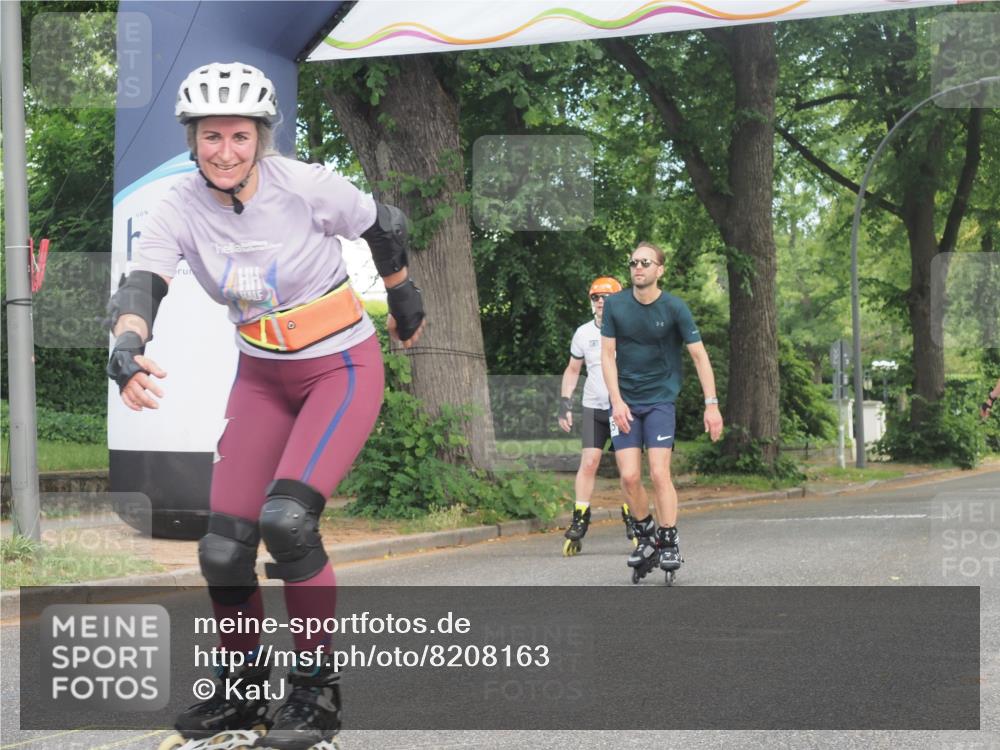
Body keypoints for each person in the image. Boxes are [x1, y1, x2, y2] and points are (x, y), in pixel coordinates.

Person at [106, 62, 425, 750]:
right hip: (261, 377)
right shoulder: (177, 205)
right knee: (223, 549)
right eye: (211, 136)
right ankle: (242, 691)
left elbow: (385, 224)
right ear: (192, 139)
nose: (225, 151)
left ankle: (315, 693)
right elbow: (142, 284)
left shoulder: (305, 185)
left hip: (340, 369)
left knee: (287, 520)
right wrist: (127, 345)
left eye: (240, 136)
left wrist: (403, 295)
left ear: (260, 138)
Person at [600, 242, 724, 583]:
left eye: (645, 262)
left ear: (660, 270)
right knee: (628, 477)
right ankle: (646, 536)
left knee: (658, 472)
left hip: (659, 400)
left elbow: (699, 356)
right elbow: (607, 355)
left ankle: (668, 540)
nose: (638, 267)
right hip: (624, 401)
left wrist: (711, 405)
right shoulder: (615, 305)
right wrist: (617, 400)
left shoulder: (675, 308)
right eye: (633, 262)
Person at [558, 277, 649, 556]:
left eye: (606, 298)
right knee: (589, 462)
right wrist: (565, 403)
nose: (600, 302)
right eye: (596, 297)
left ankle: (632, 517)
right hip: (593, 407)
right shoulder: (583, 333)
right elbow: (573, 370)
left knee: (627, 469)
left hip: (622, 409)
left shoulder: (630, 330)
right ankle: (580, 517)